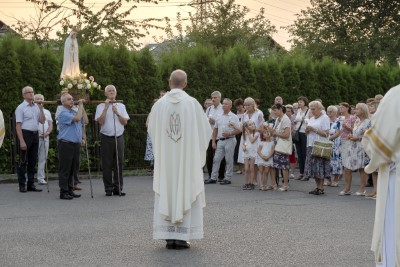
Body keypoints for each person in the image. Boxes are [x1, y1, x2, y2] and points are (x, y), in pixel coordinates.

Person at [148, 69, 211, 250]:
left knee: (168, 189)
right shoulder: (192, 104)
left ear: (169, 83)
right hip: (186, 160)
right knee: (185, 188)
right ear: (185, 84)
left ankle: (169, 236)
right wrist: (194, 151)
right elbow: (205, 131)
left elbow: (151, 130)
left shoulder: (159, 105)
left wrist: (164, 148)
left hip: (167, 160)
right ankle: (182, 238)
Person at [362, 85, 399, 267]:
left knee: (393, 235)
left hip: (397, 179)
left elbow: (378, 146)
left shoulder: (396, 96)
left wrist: (368, 140)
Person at [95, 85, 130, 196]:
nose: (111, 92)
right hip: (106, 137)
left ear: (116, 93)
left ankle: (118, 188)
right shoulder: (100, 106)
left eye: (113, 90)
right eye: (109, 91)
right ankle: (108, 188)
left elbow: (125, 122)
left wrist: (117, 112)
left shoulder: (121, 106)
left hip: (119, 137)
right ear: (105, 94)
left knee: (119, 163)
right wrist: (106, 108)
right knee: (107, 164)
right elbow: (100, 121)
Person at [15, 86, 45, 193]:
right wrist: (22, 140)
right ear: (24, 95)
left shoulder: (36, 107)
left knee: (32, 161)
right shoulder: (21, 108)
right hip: (25, 134)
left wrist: (41, 108)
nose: (31, 94)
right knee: (23, 161)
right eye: (28, 92)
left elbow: (42, 121)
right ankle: (22, 184)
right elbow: (18, 125)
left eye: (32, 92)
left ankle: (31, 184)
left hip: (35, 134)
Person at [204, 98, 241, 185]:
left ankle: (227, 178)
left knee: (228, 159)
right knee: (216, 159)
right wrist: (213, 141)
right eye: (223, 104)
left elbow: (239, 130)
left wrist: (230, 133)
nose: (224, 105)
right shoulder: (219, 116)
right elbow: (215, 129)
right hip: (220, 140)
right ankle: (213, 177)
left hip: (230, 139)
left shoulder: (234, 116)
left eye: (226, 104)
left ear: (230, 106)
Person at [57, 93, 86, 200]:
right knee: (65, 169)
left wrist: (81, 107)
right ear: (63, 102)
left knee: (73, 169)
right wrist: (81, 106)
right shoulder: (63, 113)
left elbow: (85, 121)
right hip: (66, 144)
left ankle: (69, 189)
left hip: (75, 144)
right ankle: (63, 192)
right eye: (69, 99)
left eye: (72, 99)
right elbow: (78, 118)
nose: (72, 101)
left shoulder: (74, 111)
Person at [339, 103, 371, 196]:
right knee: (347, 167)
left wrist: (358, 138)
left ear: (363, 110)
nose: (355, 110)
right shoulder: (357, 121)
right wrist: (351, 135)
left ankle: (362, 189)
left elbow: (370, 136)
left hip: (362, 146)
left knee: (362, 168)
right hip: (352, 146)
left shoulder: (368, 122)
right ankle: (347, 189)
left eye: (357, 109)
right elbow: (355, 132)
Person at [304, 101, 331, 195]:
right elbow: (307, 132)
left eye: (313, 109)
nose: (312, 111)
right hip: (310, 144)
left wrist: (314, 129)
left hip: (320, 145)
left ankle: (321, 187)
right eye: (311, 109)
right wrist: (307, 130)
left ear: (320, 109)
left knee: (319, 166)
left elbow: (326, 133)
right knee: (313, 167)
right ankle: (317, 187)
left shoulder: (325, 118)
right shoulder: (311, 118)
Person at [269, 104, 292, 191]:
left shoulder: (286, 119)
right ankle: (274, 183)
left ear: (280, 109)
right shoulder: (278, 119)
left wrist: (275, 133)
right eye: (273, 110)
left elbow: (286, 134)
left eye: (275, 110)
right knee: (275, 165)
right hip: (277, 144)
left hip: (282, 145)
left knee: (283, 166)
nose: (274, 112)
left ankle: (285, 185)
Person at [205, 91, 225, 181]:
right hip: (210, 136)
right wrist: (207, 121)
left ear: (219, 98)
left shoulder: (223, 108)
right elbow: (205, 120)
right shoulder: (209, 109)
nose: (213, 99)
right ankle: (210, 176)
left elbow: (224, 121)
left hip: (219, 136)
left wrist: (215, 122)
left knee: (220, 157)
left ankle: (221, 176)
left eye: (215, 98)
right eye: (212, 98)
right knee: (209, 157)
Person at [34, 94, 53, 185]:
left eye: (41, 99)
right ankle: (30, 177)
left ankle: (41, 177)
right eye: (37, 99)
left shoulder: (47, 112)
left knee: (43, 158)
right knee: (32, 157)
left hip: (45, 137)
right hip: (35, 137)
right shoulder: (32, 111)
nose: (39, 100)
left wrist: (48, 132)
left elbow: (50, 124)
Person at [294, 96, 311, 181]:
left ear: (305, 102)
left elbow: (308, 121)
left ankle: (306, 173)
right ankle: (301, 172)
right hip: (298, 132)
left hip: (305, 133)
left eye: (301, 101)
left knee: (305, 153)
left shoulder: (309, 110)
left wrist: (300, 119)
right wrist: (302, 119)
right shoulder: (299, 110)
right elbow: (296, 119)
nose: (299, 103)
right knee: (299, 153)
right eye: (298, 102)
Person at [326, 105, 342, 187]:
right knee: (327, 161)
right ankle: (328, 179)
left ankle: (336, 179)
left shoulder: (338, 121)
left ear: (335, 112)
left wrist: (330, 138)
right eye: (328, 111)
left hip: (335, 142)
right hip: (326, 141)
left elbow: (338, 133)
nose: (329, 113)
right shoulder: (326, 120)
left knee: (335, 161)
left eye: (331, 111)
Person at [241, 120, 259, 190]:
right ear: (246, 127)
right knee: (246, 169)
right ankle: (246, 183)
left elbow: (252, 140)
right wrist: (244, 147)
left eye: (253, 124)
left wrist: (248, 133)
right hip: (247, 152)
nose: (252, 125)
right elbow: (244, 143)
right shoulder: (244, 134)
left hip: (253, 152)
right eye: (250, 125)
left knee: (251, 168)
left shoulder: (256, 134)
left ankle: (251, 183)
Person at [233, 98, 245, 174]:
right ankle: (239, 167)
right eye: (237, 106)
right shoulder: (235, 113)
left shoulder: (245, 113)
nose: (238, 107)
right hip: (236, 133)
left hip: (242, 133)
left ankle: (243, 168)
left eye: (239, 106)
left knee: (242, 150)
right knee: (236, 150)